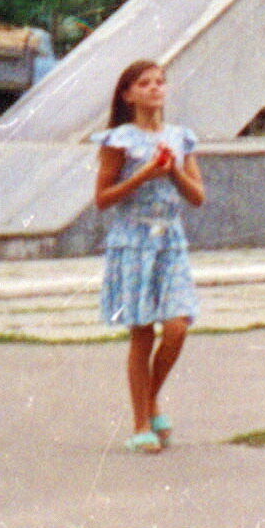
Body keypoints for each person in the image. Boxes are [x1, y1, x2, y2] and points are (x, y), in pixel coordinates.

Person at [95, 59, 205, 452]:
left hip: (170, 240)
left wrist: (173, 171)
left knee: (177, 326)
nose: (156, 88)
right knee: (142, 332)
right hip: (134, 240)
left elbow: (197, 196)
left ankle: (150, 399)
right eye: (145, 83)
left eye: (160, 82)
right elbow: (102, 199)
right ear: (128, 94)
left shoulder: (180, 137)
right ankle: (141, 422)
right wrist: (142, 174)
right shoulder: (118, 141)